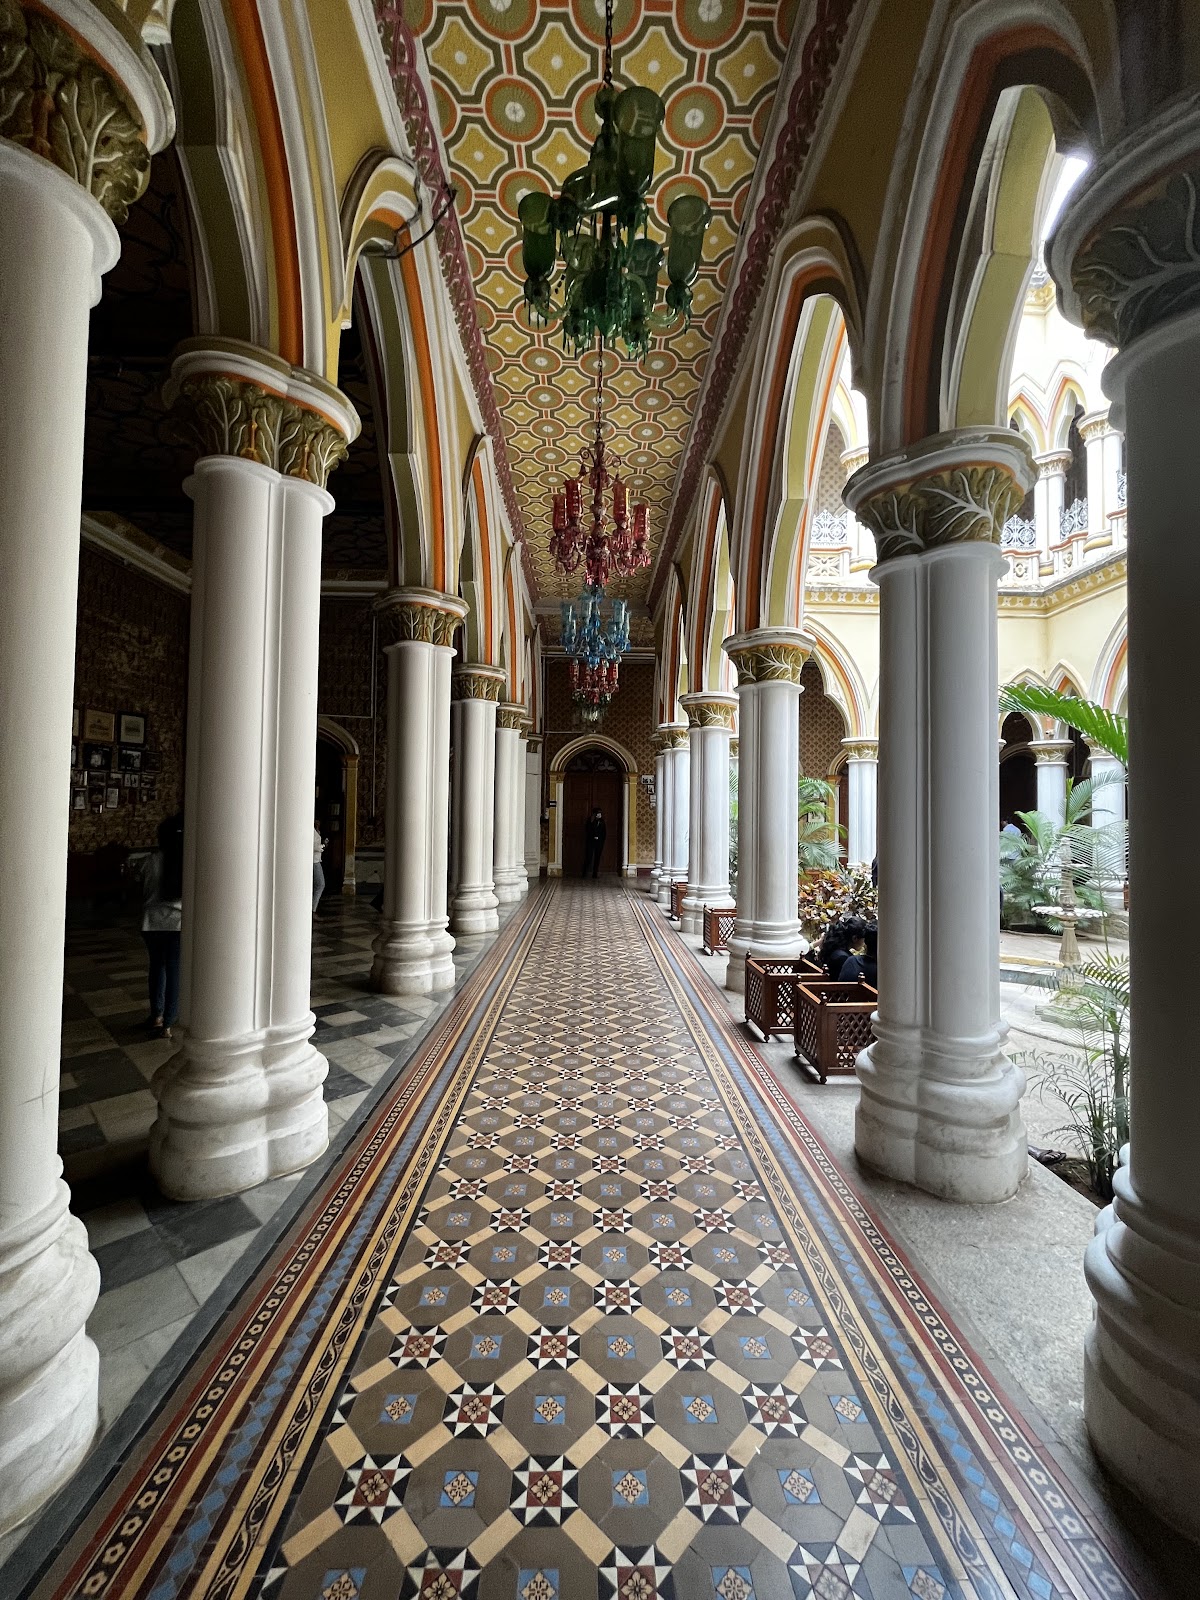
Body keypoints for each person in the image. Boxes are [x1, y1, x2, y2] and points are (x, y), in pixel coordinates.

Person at [132, 813, 184, 1039]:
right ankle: (169, 1023)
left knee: (157, 968)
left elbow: (139, 891)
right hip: (177, 923)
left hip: (151, 923)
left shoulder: (148, 861)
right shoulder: (188, 862)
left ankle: (156, 1015)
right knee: (174, 971)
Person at [582, 806, 606, 879]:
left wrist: (601, 840)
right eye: (598, 813)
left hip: (599, 843)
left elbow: (604, 832)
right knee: (588, 857)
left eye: (600, 813)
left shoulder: (602, 821)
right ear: (595, 814)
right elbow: (587, 830)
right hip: (591, 842)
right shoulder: (590, 821)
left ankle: (595, 873)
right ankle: (584, 873)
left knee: (597, 858)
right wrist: (593, 836)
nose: (600, 814)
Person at [313, 820, 326, 914]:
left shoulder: (317, 832)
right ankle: (313, 910)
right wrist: (323, 846)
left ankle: (313, 908)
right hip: (314, 861)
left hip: (316, 860)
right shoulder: (311, 831)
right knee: (320, 884)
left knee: (317, 885)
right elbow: (314, 846)